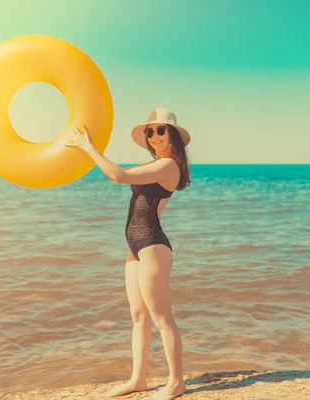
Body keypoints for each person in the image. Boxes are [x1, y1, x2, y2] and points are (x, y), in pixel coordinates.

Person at [65, 108, 192, 400]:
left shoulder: (169, 166)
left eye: (160, 129)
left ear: (172, 134)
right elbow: (120, 171)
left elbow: (117, 175)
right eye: (149, 131)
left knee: (161, 317)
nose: (153, 135)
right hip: (135, 247)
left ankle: (176, 383)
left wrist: (88, 147)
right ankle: (138, 379)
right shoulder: (154, 165)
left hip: (153, 246)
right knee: (138, 315)